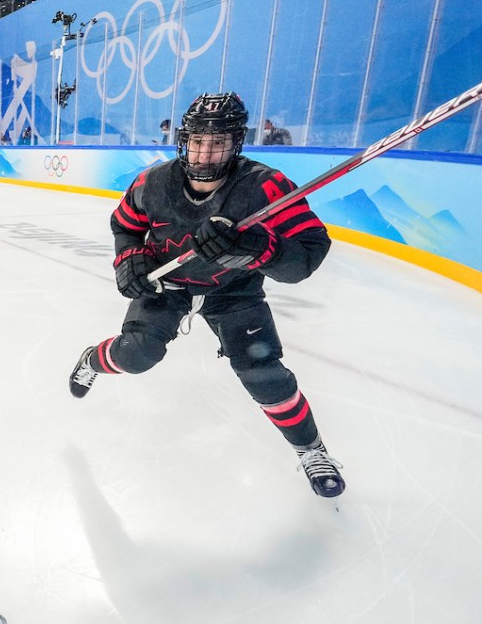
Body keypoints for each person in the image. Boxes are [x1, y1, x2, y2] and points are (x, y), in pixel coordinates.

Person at [66, 93, 345, 498]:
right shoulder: (152, 182)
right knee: (137, 354)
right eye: (198, 140)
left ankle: (311, 450)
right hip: (169, 284)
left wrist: (258, 246)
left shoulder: (267, 187)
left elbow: (305, 258)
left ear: (237, 143)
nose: (205, 151)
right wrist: (129, 258)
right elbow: (124, 223)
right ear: (184, 139)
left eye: (218, 141)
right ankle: (92, 358)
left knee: (263, 374)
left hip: (235, 290)